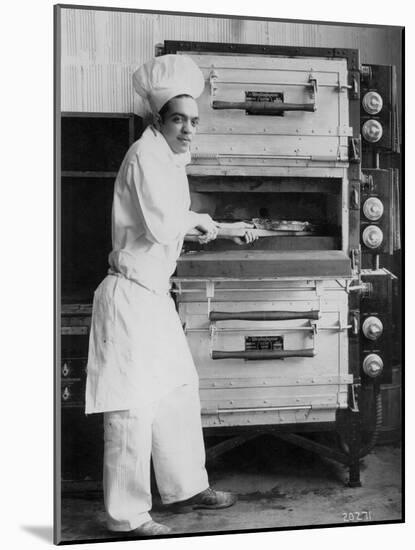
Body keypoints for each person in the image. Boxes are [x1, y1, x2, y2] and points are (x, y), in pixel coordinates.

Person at [85, 54, 254, 537]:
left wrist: (225, 227)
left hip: (154, 298)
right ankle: (128, 516)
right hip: (129, 298)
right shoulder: (143, 155)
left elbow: (174, 223)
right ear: (158, 120)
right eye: (178, 119)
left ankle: (185, 488)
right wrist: (202, 221)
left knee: (178, 392)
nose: (188, 129)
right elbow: (163, 224)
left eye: (193, 121)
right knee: (132, 410)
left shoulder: (167, 159)